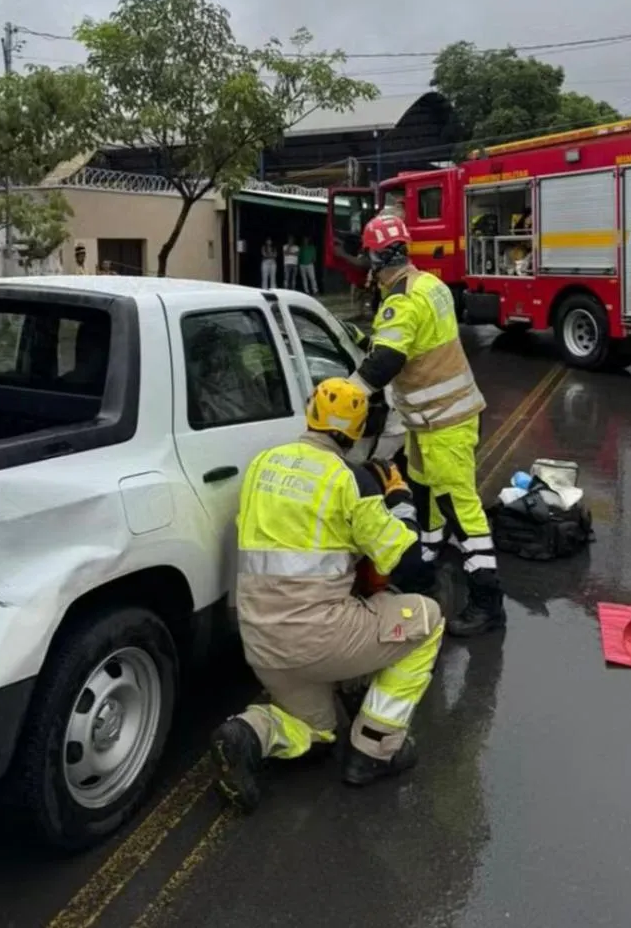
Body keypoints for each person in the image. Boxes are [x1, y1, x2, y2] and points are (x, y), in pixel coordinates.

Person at [209, 378, 444, 812]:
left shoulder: (263, 464)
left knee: (316, 731)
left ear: (310, 412)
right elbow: (411, 565)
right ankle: (374, 749)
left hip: (259, 640)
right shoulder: (351, 480)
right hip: (317, 639)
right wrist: (399, 498)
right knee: (426, 619)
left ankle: (248, 733)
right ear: (359, 429)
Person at [348, 212, 507, 638]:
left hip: (443, 421)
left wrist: (344, 393)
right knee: (424, 492)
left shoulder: (401, 301)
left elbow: (386, 361)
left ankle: (488, 601)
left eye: (369, 259)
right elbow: (411, 342)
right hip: (436, 419)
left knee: (460, 508)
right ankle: (429, 558)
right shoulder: (429, 285)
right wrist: (363, 339)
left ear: (377, 259)